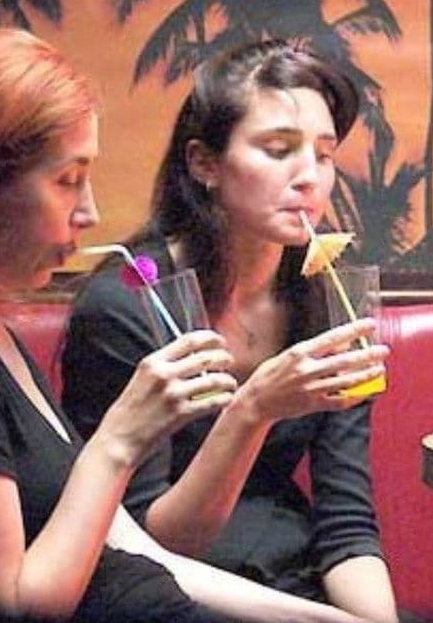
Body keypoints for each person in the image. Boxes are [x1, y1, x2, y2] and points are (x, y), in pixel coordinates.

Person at [0, 27, 369, 623]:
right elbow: (6, 609)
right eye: (67, 180)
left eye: (325, 154)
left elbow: (132, 549)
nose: (90, 212)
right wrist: (118, 441)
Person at [60, 39, 397, 623]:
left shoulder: (329, 296)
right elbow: (152, 546)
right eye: (278, 150)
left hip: (293, 579)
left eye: (323, 154)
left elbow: (346, 527)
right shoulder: (129, 307)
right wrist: (252, 410)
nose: (309, 178)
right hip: (170, 594)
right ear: (204, 164)